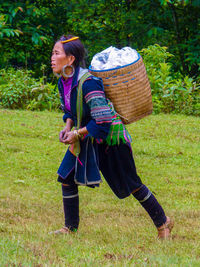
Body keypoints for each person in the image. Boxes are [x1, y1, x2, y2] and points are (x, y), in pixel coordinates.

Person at [50, 34, 174, 239]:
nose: (52, 58)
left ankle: (163, 223)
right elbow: (70, 111)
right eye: (52, 54)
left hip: (110, 140)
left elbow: (103, 121)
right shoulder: (64, 82)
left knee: (131, 183)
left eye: (56, 53)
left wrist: (76, 134)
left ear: (70, 59)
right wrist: (68, 126)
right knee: (66, 177)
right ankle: (69, 228)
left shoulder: (88, 83)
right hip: (87, 139)